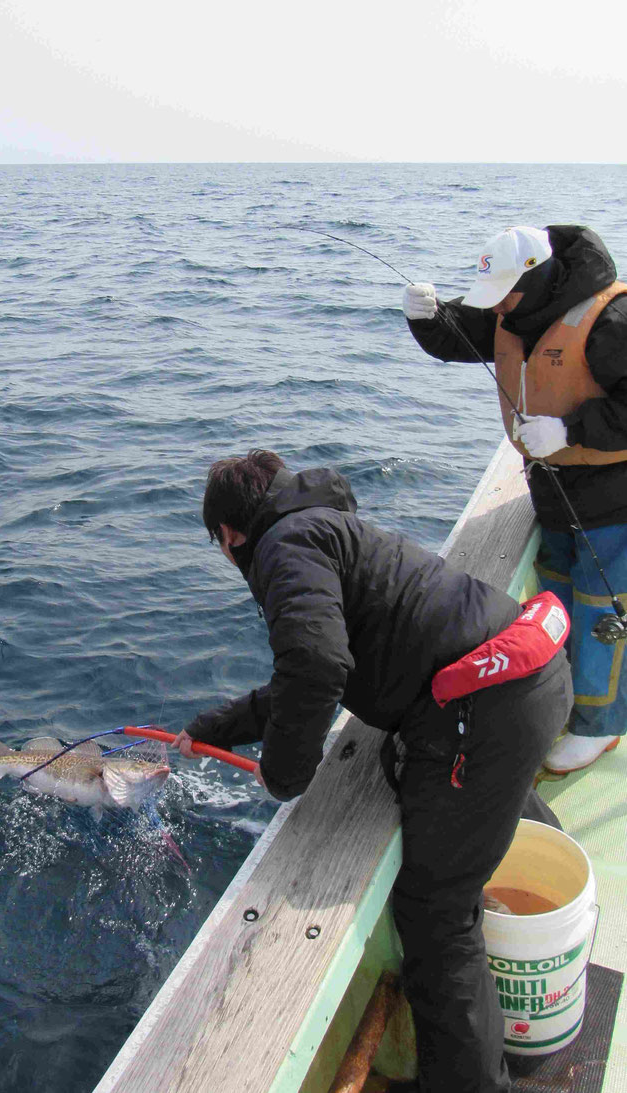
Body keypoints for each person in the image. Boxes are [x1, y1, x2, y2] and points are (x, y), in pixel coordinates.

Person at [173, 449, 572, 1093]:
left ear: (229, 534)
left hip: (485, 714)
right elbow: (332, 664)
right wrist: (216, 727)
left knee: (436, 914)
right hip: (527, 680)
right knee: (473, 800)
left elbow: (315, 663)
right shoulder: (322, 526)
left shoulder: (280, 548)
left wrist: (282, 774)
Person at [403, 224, 627, 774]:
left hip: (612, 497)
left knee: (604, 612)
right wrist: (426, 317)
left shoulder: (611, 322)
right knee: (555, 599)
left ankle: (601, 727)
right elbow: (462, 335)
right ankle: (567, 697)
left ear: (540, 276)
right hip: (551, 491)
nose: (498, 305)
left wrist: (571, 429)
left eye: (506, 292)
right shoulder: (517, 312)